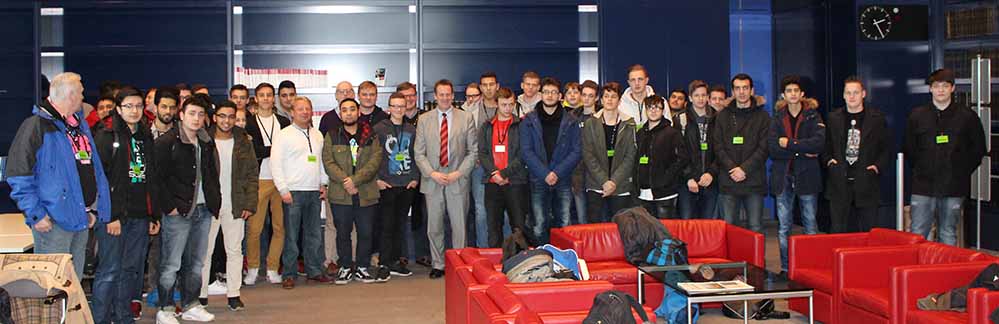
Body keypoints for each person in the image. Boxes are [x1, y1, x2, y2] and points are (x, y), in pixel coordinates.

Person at [8, 72, 111, 280]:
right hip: (52, 221)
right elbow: (18, 174)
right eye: (81, 93)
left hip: (80, 217)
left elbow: (90, 169)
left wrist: (91, 208)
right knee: (51, 285)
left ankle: (71, 315)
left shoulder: (78, 127)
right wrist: (36, 213)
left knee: (73, 283)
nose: (83, 98)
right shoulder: (35, 126)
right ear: (70, 95)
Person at [89, 88, 157, 324]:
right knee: (109, 271)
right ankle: (100, 319)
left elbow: (151, 179)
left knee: (130, 271)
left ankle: (123, 317)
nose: (135, 110)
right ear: (118, 109)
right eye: (129, 106)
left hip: (139, 215)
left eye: (139, 105)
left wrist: (152, 216)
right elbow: (100, 179)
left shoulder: (145, 135)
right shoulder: (107, 135)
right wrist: (111, 216)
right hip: (114, 217)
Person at [153, 95, 220, 324]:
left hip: (203, 210)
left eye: (201, 114)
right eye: (192, 113)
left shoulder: (206, 142)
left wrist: (214, 202)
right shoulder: (167, 142)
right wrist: (168, 207)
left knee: (197, 263)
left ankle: (191, 304)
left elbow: (212, 174)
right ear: (181, 115)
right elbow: (157, 179)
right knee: (171, 263)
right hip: (178, 212)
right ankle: (166, 308)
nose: (196, 118)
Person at [905, 68, 987, 245]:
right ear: (930, 89)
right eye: (936, 86)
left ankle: (945, 272)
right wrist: (922, 169)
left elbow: (978, 149)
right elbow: (909, 149)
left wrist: (961, 172)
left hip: (954, 187)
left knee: (948, 233)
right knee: (918, 232)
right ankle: (919, 272)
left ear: (953, 88)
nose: (940, 90)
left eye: (945, 86)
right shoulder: (917, 116)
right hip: (923, 187)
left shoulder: (967, 117)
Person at [414, 79, 478, 279]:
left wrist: (458, 173)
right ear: (435, 96)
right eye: (440, 94)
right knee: (434, 227)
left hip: (457, 179)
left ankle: (459, 264)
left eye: (448, 94)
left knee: (459, 226)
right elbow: (419, 153)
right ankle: (438, 264)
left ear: (453, 96)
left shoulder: (465, 118)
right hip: (432, 179)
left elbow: (473, 151)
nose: (444, 97)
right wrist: (432, 173)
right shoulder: (424, 119)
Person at [197, 100, 257, 311]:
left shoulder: (243, 140)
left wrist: (250, 203)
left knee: (234, 251)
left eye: (231, 116)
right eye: (222, 116)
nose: (226, 120)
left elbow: (252, 174)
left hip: (236, 203)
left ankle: (233, 294)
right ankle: (201, 295)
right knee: (205, 251)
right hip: (209, 204)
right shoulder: (203, 138)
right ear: (214, 117)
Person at [271, 96, 330, 288]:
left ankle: (314, 270)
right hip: (292, 192)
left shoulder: (317, 134)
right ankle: (289, 273)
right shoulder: (284, 134)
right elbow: (275, 164)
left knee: (313, 234)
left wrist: (324, 183)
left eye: (308, 109)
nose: (305, 112)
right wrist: (282, 189)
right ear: (292, 112)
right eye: (300, 109)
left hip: (314, 191)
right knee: (291, 236)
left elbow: (320, 161)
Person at [324, 98, 385, 284]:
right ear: (340, 113)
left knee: (365, 232)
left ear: (358, 112)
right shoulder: (332, 135)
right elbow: (328, 162)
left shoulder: (370, 134)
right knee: (342, 232)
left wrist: (355, 180)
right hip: (340, 193)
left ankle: (362, 267)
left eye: (352, 109)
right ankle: (344, 267)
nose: (348, 113)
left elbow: (375, 161)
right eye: (344, 110)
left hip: (365, 192)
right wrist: (346, 180)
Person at [769, 75, 824, 276]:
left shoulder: (813, 116)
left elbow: (818, 144)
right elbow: (773, 148)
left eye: (796, 91)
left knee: (810, 225)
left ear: (802, 94)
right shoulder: (776, 118)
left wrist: (790, 144)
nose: (792, 94)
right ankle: (785, 268)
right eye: (788, 91)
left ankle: (811, 268)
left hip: (807, 176)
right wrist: (802, 149)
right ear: (784, 95)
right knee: (784, 227)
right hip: (783, 178)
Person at [823, 76, 894, 233]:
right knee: (838, 231)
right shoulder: (833, 118)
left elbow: (886, 148)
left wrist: (876, 167)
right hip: (839, 184)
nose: (852, 96)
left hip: (867, 182)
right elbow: (825, 146)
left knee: (868, 232)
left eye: (855, 92)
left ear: (863, 94)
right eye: (848, 93)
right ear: (843, 95)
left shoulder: (876, 119)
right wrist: (829, 163)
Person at [520, 77, 581, 244]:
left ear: (560, 96)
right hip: (538, 179)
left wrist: (556, 173)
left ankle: (564, 265)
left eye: (553, 92)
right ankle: (542, 264)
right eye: (546, 92)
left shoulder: (571, 121)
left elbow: (576, 151)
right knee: (539, 225)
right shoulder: (529, 121)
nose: (549, 95)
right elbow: (526, 151)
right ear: (541, 94)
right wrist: (545, 173)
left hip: (563, 179)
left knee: (564, 224)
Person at [243, 84, 291, 286]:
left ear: (274, 99)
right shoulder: (249, 122)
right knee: (254, 228)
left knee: (280, 227)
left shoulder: (283, 121)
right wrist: (274, 150)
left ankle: (272, 267)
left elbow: (288, 150)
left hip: (282, 179)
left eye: (269, 95)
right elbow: (253, 151)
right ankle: (253, 268)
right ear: (256, 98)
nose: (265, 98)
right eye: (261, 95)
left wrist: (266, 149)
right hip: (259, 179)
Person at [713, 74, 769, 234]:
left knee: (756, 227)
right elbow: (718, 147)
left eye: (745, 88)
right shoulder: (723, 116)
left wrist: (744, 169)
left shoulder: (763, 116)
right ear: (733, 91)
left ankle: (757, 261)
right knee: (729, 228)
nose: (742, 92)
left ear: (752, 90)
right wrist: (733, 168)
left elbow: (764, 148)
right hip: (728, 180)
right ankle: (732, 261)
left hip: (754, 181)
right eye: (737, 88)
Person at [373, 93, 420, 277]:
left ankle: (395, 261)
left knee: (400, 224)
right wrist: (377, 179)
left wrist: (415, 177)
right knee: (386, 225)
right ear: (389, 108)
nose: (399, 109)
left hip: (407, 184)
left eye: (402, 106)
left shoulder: (412, 129)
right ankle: (384, 263)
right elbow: (372, 156)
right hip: (387, 184)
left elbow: (417, 155)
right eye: (395, 106)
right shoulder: (379, 129)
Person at [478, 87, 529, 247]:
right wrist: (494, 173)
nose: (508, 108)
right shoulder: (486, 126)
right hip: (492, 182)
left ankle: (521, 261)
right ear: (496, 104)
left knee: (518, 226)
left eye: (510, 104)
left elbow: (522, 154)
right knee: (493, 227)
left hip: (515, 182)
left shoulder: (522, 125)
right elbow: (482, 153)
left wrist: (504, 173)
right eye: (504, 105)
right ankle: (495, 264)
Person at [582, 82, 637, 223]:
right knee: (594, 229)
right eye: (606, 96)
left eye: (613, 96)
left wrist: (613, 182)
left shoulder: (629, 124)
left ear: (619, 100)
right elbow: (588, 155)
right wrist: (604, 181)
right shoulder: (591, 123)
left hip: (621, 185)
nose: (610, 100)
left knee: (620, 227)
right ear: (601, 100)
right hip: (596, 184)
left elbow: (630, 156)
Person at [635, 95, 688, 219]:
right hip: (643, 192)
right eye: (650, 108)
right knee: (647, 231)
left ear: (663, 110)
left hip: (665, 193)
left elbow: (682, 159)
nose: (653, 111)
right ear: (645, 110)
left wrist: (666, 178)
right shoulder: (640, 133)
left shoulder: (672, 133)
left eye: (657, 108)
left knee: (665, 232)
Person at [464, 72, 500, 248]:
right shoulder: (469, 111)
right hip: (479, 166)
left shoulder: (508, 106)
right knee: (481, 210)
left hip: (504, 167)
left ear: (497, 86)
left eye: (491, 84)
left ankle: (507, 251)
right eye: (484, 85)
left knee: (506, 210)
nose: (488, 88)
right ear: (480, 88)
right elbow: (467, 139)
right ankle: (483, 250)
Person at [676, 80, 718, 219]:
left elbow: (722, 150)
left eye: (703, 95)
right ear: (690, 97)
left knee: (708, 226)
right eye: (696, 95)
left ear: (708, 97)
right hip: (687, 182)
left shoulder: (717, 118)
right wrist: (689, 177)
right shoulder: (681, 119)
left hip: (711, 180)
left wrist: (711, 173)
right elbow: (678, 153)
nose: (700, 99)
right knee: (687, 224)